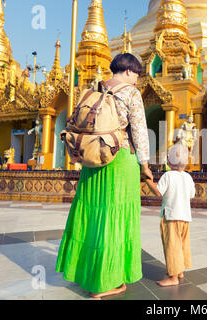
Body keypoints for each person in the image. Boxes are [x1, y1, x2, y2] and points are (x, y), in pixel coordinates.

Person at [55, 53, 153, 299]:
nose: (137, 81)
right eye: (137, 75)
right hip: (120, 160)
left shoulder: (94, 89)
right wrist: (145, 164)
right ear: (130, 71)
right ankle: (106, 281)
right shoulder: (131, 93)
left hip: (93, 159)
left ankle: (87, 275)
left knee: (91, 215)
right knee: (115, 217)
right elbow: (140, 131)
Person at [146, 143, 195, 287]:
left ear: (168, 162)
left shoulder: (167, 175)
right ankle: (180, 271)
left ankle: (173, 277)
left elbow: (158, 192)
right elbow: (192, 194)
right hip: (185, 217)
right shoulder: (188, 177)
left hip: (171, 216)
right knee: (182, 244)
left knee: (172, 245)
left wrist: (148, 181)